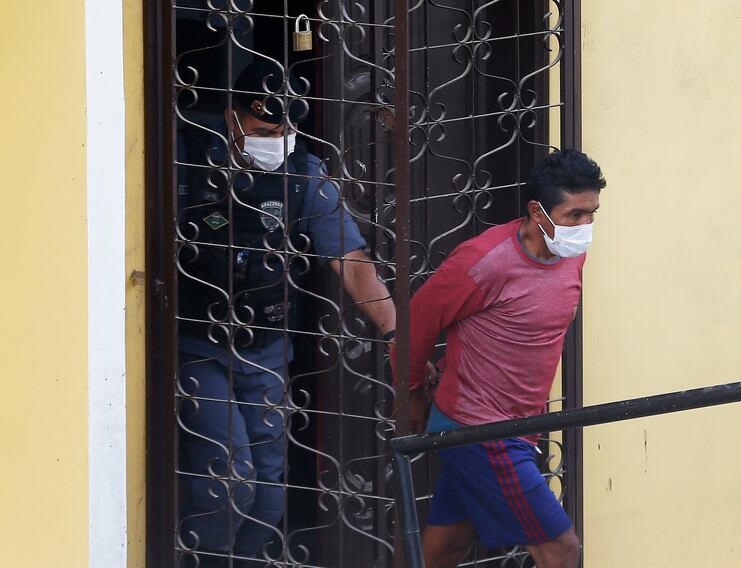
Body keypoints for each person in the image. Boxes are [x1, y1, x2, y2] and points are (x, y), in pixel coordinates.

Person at [176, 58, 396, 566]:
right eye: (260, 131)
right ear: (232, 120)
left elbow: (349, 259)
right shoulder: (186, 157)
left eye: (281, 130)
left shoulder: (304, 172)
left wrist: (393, 330)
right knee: (227, 485)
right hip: (200, 349)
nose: (273, 140)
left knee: (269, 496)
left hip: (268, 350)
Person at [396, 149, 606, 568]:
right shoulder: (483, 262)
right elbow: (412, 328)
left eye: (592, 214)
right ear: (537, 211)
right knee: (561, 548)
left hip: (521, 424)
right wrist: (414, 395)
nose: (585, 227)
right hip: (481, 429)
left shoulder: (572, 254)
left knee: (447, 546)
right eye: (574, 215)